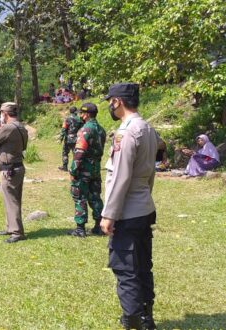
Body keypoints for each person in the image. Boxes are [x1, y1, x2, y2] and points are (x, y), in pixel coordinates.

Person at [101, 83, 160, 329]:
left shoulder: (126, 132)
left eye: (110, 102)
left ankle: (133, 321)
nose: (109, 106)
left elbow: (121, 176)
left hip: (126, 212)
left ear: (118, 102)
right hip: (144, 207)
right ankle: (146, 318)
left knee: (125, 268)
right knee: (143, 265)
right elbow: (150, 174)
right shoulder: (148, 129)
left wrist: (109, 214)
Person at [0, 102, 29, 243]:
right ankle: (10, 227)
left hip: (9, 170)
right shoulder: (21, 126)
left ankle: (17, 232)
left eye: (1, 113)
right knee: (12, 199)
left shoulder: (7, 128)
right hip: (17, 167)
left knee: (12, 200)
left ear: (5, 114)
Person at [69, 103, 106, 237]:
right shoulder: (101, 130)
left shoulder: (85, 130)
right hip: (95, 169)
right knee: (95, 197)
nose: (80, 116)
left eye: (81, 113)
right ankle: (99, 226)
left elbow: (79, 152)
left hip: (83, 170)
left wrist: (73, 171)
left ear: (86, 114)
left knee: (80, 197)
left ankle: (80, 228)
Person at [59, 106, 84, 171]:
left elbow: (64, 129)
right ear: (75, 112)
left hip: (68, 139)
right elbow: (82, 129)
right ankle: (76, 167)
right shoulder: (79, 119)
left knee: (65, 153)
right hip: (76, 139)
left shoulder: (67, 119)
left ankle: (65, 167)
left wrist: (61, 138)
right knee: (75, 154)